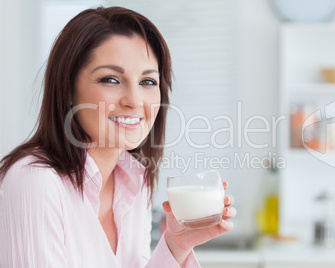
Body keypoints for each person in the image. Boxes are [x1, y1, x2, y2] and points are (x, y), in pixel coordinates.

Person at [0, 6, 236, 268]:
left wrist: (177, 244)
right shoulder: (35, 182)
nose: (134, 101)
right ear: (67, 89)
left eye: (147, 82)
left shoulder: (135, 179)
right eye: (111, 80)